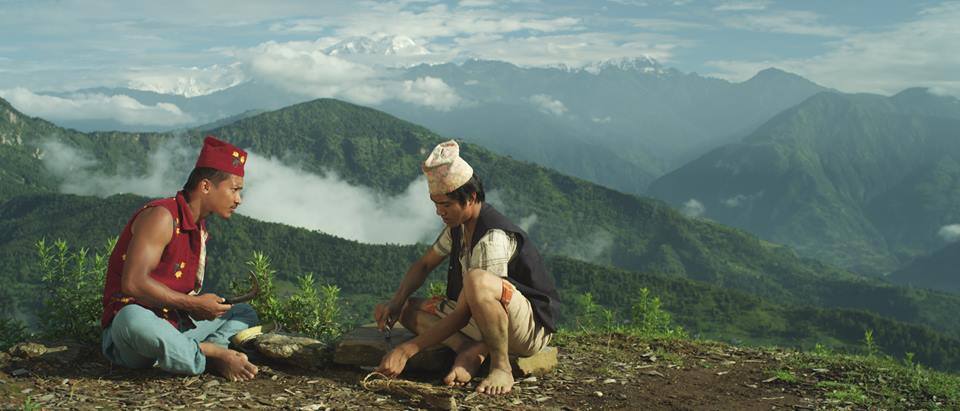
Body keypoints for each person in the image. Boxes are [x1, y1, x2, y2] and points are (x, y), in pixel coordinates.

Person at [374, 140, 560, 395]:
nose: (440, 212)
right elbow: (425, 263)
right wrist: (396, 301)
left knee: (477, 281)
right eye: (436, 204)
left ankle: (501, 367)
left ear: (471, 198)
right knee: (403, 309)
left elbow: (464, 313)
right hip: (481, 314)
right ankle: (467, 348)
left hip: (526, 328)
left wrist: (407, 350)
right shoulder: (458, 228)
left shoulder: (492, 238)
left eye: (446, 205)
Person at [100, 135, 259, 381]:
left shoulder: (198, 226)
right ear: (206, 186)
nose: (238, 199)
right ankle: (207, 355)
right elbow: (132, 284)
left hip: (175, 324)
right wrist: (194, 305)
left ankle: (198, 352)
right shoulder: (162, 216)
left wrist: (199, 307)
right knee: (132, 319)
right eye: (234, 189)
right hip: (133, 333)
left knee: (242, 313)